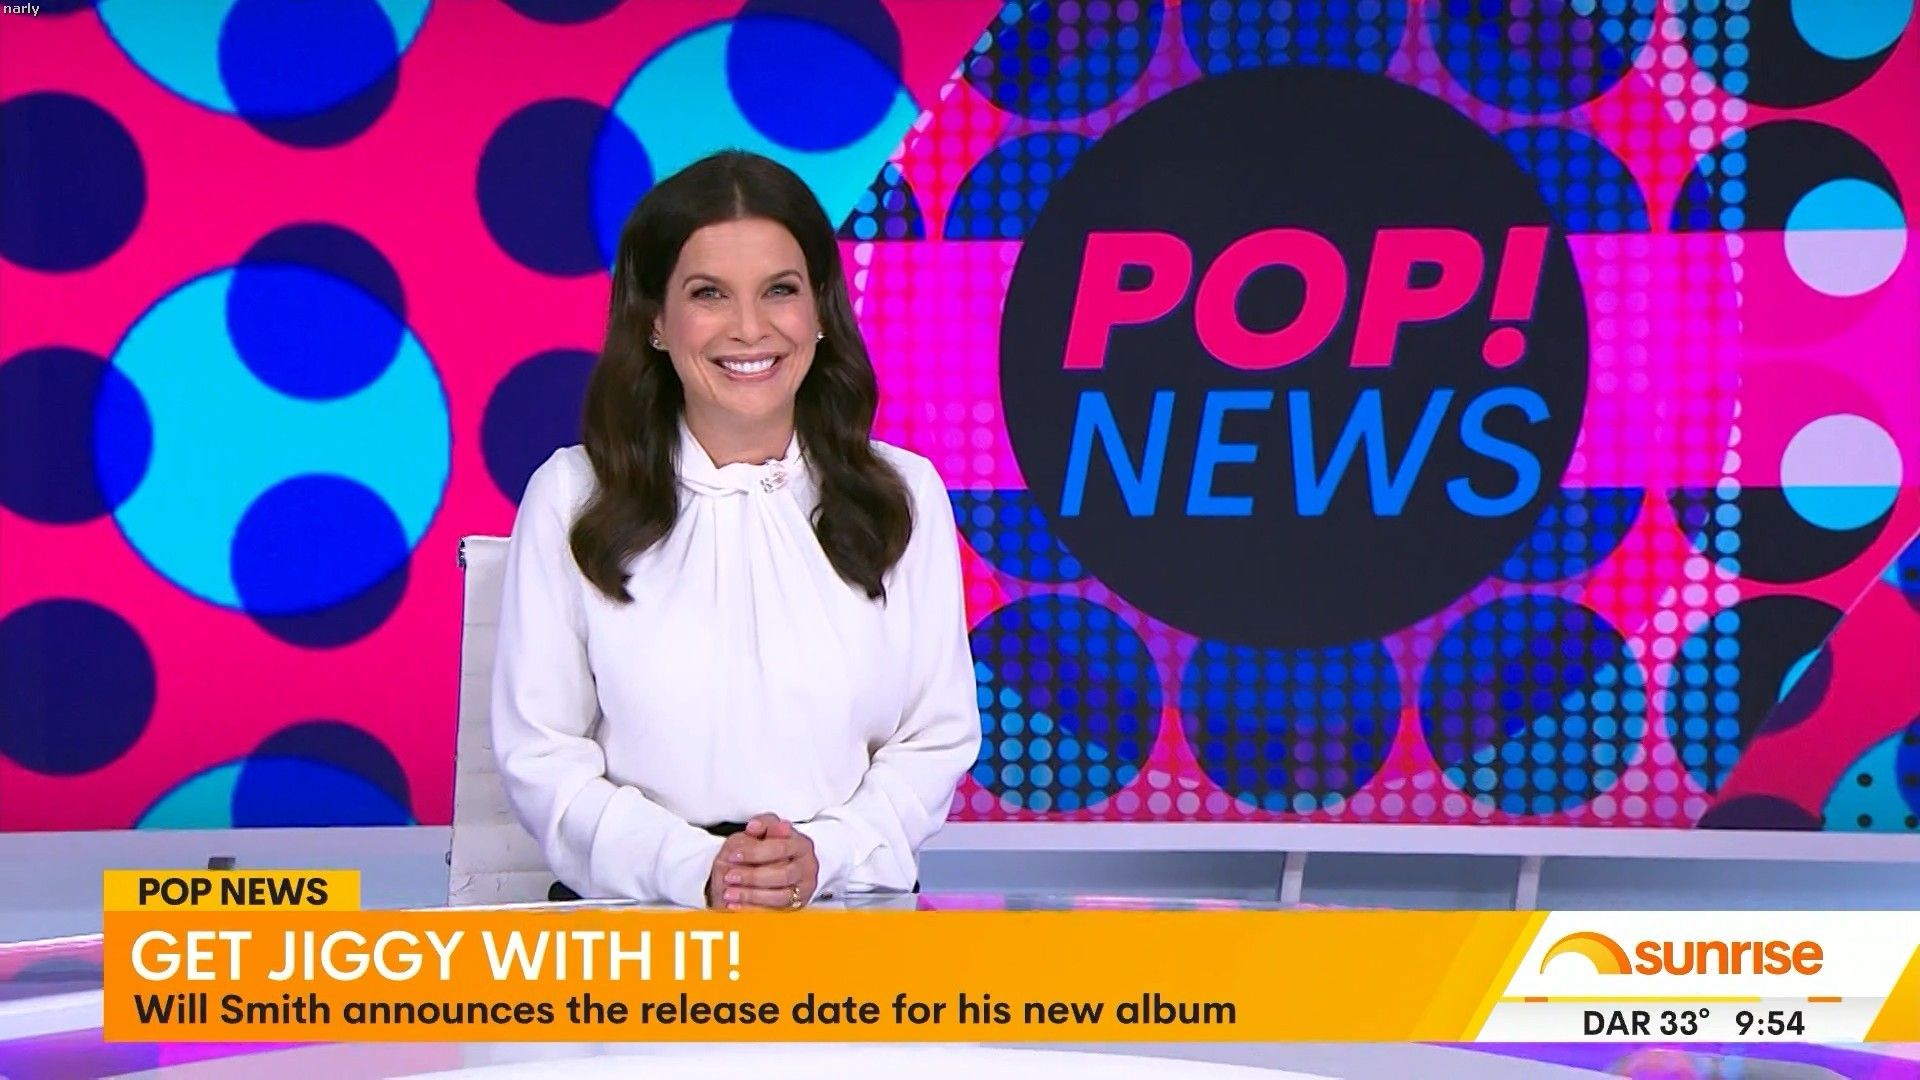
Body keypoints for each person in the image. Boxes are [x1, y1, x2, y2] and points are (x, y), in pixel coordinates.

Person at [489, 150, 982, 911]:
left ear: (820, 311)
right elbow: (542, 757)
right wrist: (697, 868)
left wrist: (823, 855)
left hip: (851, 917)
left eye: (780, 291)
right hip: (636, 926)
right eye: (709, 294)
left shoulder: (904, 494)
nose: (750, 329)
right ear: (656, 321)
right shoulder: (571, 496)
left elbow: (935, 739)